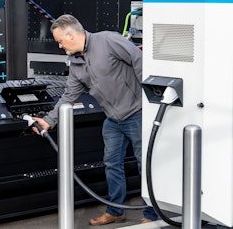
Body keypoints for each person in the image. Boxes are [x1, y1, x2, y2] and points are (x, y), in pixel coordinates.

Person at [32, 14, 158, 225]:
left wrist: (150, 100)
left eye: (61, 41)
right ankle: (116, 211)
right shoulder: (76, 62)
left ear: (70, 35)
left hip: (137, 113)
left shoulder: (107, 40)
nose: (61, 46)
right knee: (112, 164)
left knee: (144, 164)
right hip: (112, 120)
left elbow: (139, 62)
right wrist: (49, 120)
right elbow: (69, 95)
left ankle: (152, 215)